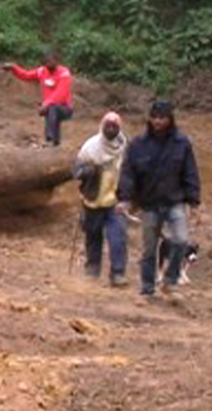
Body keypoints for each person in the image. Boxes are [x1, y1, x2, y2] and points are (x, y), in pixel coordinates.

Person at [117, 101, 201, 296]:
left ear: (170, 119)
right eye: (154, 117)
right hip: (150, 203)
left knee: (181, 240)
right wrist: (125, 199)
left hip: (174, 201)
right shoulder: (138, 145)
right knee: (149, 249)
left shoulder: (182, 144)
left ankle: (170, 280)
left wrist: (194, 203)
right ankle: (147, 288)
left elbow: (190, 173)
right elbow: (128, 174)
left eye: (162, 118)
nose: (157, 121)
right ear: (149, 118)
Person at [74, 112, 129, 286]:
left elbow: (130, 172)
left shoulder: (124, 147)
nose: (111, 129)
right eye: (108, 125)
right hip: (93, 198)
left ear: (119, 128)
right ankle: (92, 267)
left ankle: (118, 273)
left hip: (115, 200)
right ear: (102, 126)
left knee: (118, 236)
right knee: (93, 235)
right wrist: (87, 171)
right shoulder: (90, 147)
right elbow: (76, 170)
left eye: (115, 126)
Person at [3, 50, 74, 146]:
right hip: (50, 106)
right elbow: (26, 75)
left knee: (52, 108)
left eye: (52, 60)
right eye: (47, 61)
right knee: (51, 110)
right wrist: (13, 68)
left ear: (57, 61)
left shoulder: (64, 73)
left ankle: (49, 139)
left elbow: (61, 93)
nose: (49, 63)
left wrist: (46, 104)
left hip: (66, 108)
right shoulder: (42, 71)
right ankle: (55, 142)